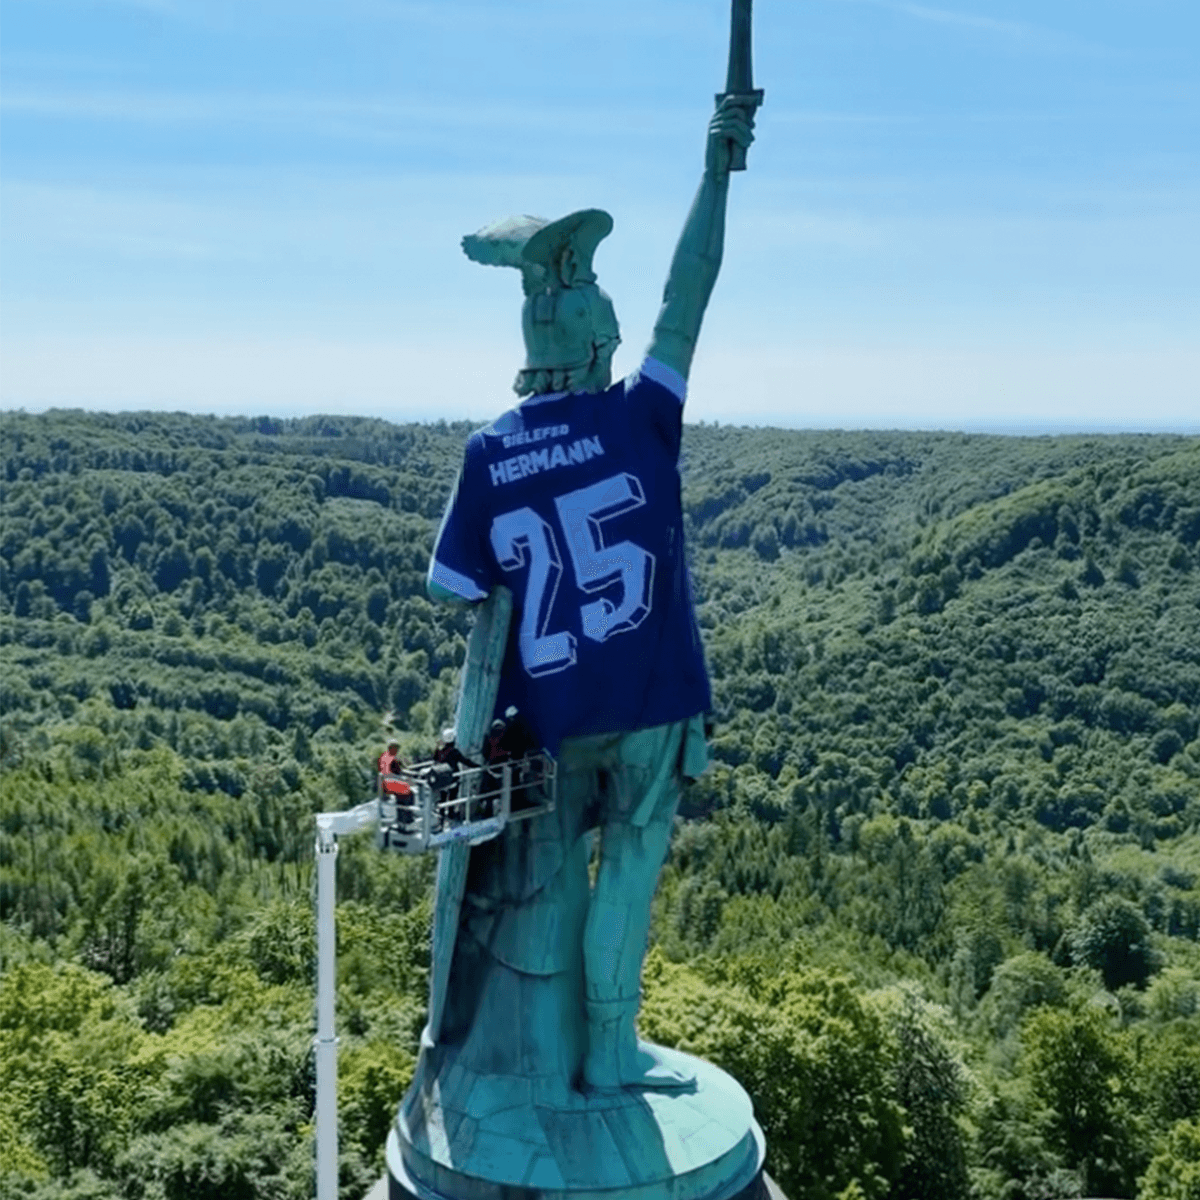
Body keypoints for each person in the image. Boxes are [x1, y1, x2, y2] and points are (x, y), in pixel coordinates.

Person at [427, 97, 754, 1091]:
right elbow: (691, 288)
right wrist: (716, 166)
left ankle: (544, 1044)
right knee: (634, 870)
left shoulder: (491, 450)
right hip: (653, 700)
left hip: (554, 715)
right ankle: (609, 1055)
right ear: (603, 341)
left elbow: (463, 591)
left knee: (557, 880)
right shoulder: (642, 418)